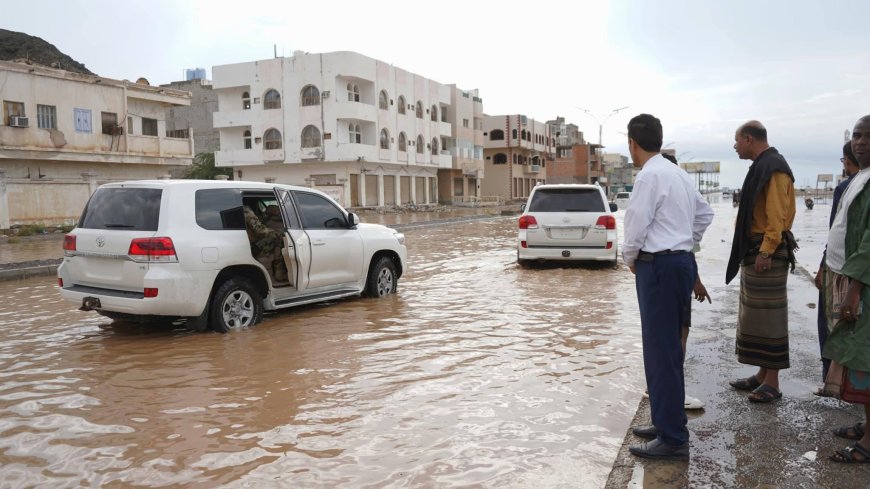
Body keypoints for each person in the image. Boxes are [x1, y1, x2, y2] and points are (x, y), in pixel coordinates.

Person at [622, 114, 714, 460]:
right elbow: (704, 215)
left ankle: (673, 437)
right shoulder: (677, 174)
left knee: (660, 352)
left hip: (657, 266)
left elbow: (635, 227)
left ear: (632, 143)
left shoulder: (649, 176)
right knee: (669, 349)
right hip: (679, 263)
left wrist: (632, 259)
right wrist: (684, 244)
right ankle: (666, 421)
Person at [725, 121, 797, 403]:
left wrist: (766, 251)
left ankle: (773, 383)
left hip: (767, 251)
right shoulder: (763, 165)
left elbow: (777, 214)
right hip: (755, 249)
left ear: (749, 139)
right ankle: (762, 375)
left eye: (736, 141)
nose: (734, 146)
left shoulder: (774, 167)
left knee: (770, 317)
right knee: (755, 315)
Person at [823, 115, 870, 463]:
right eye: (856, 135)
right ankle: (867, 427)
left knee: (866, 362)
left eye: (868, 136)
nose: (860, 142)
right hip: (846, 277)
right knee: (857, 361)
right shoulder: (860, 178)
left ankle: (869, 444)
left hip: (862, 284)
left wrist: (854, 288)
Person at [814, 141, 861, 393]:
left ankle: (835, 382)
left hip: (843, 270)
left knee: (834, 325)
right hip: (850, 268)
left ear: (846, 160)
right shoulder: (855, 184)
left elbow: (835, 230)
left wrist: (823, 265)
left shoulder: (846, 187)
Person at [243, 205, 288, 283]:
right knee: (280, 239)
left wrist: (267, 213)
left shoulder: (235, 207)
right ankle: (279, 273)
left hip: (246, 243)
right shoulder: (245, 209)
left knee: (275, 237)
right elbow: (260, 231)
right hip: (254, 247)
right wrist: (276, 233)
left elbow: (257, 222)